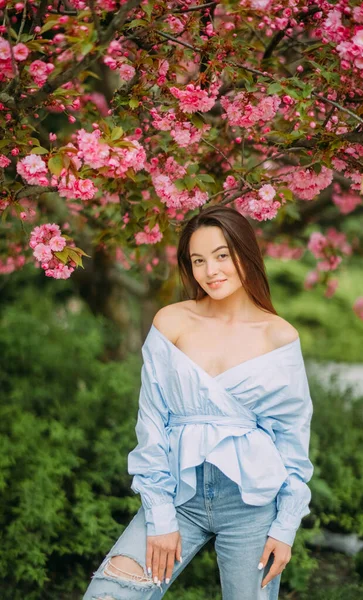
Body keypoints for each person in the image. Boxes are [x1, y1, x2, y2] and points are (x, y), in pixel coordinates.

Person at [82, 205, 314, 600]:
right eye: (199, 260)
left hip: (253, 504)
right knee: (109, 594)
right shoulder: (171, 322)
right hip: (178, 495)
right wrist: (159, 516)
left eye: (222, 255)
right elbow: (151, 422)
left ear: (245, 253)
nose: (212, 271)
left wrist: (285, 526)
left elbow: (292, 438)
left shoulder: (279, 336)